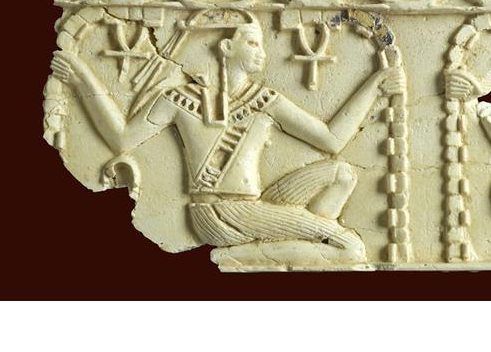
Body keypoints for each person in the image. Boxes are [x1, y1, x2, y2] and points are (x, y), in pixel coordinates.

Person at [51, 19, 405, 267]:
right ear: (226, 46)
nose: (261, 51)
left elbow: (332, 140)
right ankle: (241, 255)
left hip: (256, 204)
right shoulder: (179, 99)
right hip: (217, 211)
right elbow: (121, 139)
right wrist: (83, 79)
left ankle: (295, 237)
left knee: (342, 174)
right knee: (351, 248)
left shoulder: (264, 99)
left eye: (260, 44)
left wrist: (373, 86)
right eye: (251, 42)